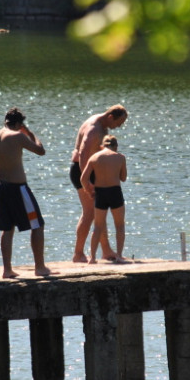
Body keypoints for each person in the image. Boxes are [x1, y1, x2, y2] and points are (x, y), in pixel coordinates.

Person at [0, 107, 53, 277]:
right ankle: (40, 267)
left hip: (1, 187)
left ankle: (7, 270)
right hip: (18, 188)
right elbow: (41, 151)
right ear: (18, 124)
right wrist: (30, 133)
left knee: (7, 228)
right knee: (37, 225)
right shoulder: (18, 136)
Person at [69, 104, 128, 262]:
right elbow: (83, 154)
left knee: (99, 213)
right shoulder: (94, 130)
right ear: (111, 117)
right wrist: (86, 182)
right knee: (89, 213)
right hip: (82, 171)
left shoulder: (102, 124)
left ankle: (106, 251)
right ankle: (78, 253)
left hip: (92, 171)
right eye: (119, 123)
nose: (119, 127)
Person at [81, 135, 128, 263]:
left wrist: (89, 191)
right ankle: (119, 256)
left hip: (100, 193)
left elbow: (83, 179)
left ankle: (92, 258)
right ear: (115, 146)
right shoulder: (120, 157)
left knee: (98, 226)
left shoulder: (94, 157)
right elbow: (123, 178)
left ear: (102, 146)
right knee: (119, 225)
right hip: (115, 192)